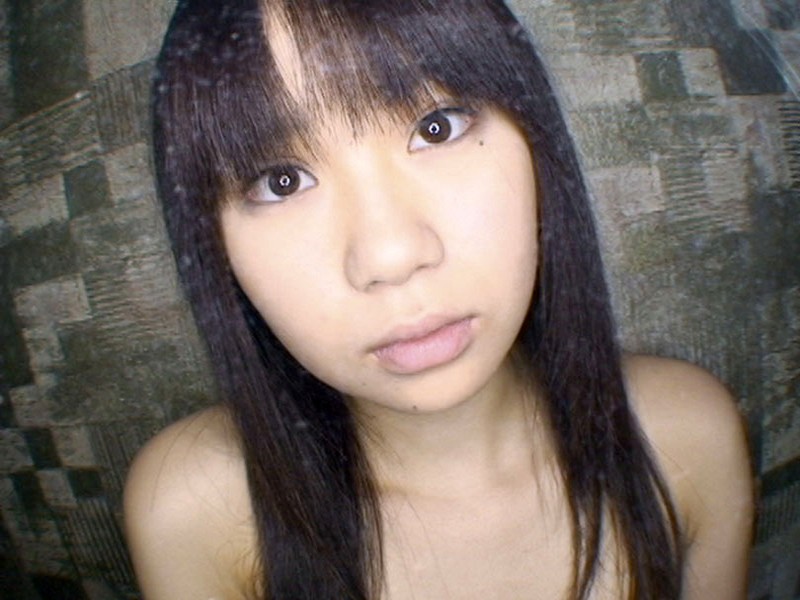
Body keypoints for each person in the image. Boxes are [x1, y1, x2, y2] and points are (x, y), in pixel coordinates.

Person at [123, 0, 754, 598]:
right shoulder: (195, 510)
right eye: (282, 181)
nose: (391, 256)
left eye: (437, 127)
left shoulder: (683, 438)